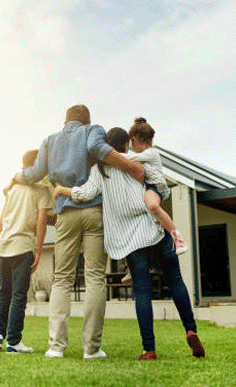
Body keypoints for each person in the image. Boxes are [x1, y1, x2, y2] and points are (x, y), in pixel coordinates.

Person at [54, 127, 205, 360]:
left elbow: (85, 194)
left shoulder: (99, 169)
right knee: (175, 279)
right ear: (126, 145)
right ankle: (190, 329)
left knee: (142, 290)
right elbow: (160, 184)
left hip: (130, 240)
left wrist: (61, 190)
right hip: (153, 228)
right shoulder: (136, 160)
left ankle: (149, 349)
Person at [7, 105, 144, 359]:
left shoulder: (50, 140)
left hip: (66, 214)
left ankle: (56, 347)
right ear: (87, 121)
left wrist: (17, 176)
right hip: (94, 213)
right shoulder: (93, 130)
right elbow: (97, 148)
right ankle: (91, 349)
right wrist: (131, 166)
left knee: (62, 279)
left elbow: (35, 173)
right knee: (94, 278)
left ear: (65, 121)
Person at [0, 150, 53, 354]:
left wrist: (4, 240)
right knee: (18, 295)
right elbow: (41, 221)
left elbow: (0, 221)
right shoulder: (42, 190)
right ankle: (13, 342)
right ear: (37, 166)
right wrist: (38, 251)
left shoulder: (12, 188)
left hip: (4, 246)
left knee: (3, 293)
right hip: (23, 246)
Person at [128, 117, 189, 255]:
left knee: (152, 206)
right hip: (149, 187)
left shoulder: (151, 153)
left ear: (134, 140)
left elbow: (130, 158)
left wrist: (108, 154)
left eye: (132, 143)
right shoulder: (145, 153)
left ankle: (178, 238)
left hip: (157, 187)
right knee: (147, 214)